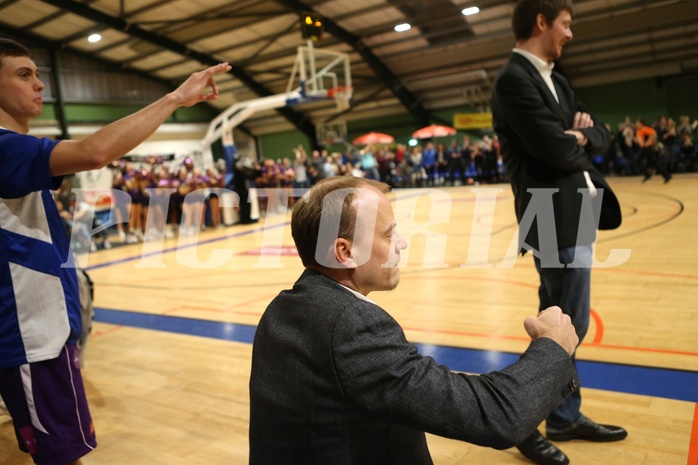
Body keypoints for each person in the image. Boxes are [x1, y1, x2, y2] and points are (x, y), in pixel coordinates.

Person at [0, 37, 230, 465]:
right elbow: (95, 152)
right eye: (23, 74)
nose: (39, 85)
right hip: (33, 335)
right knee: (62, 456)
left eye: (37, 74)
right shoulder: (3, 146)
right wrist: (176, 98)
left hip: (37, 329)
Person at [248, 175, 582, 465]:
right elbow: (497, 417)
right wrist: (553, 347)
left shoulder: (280, 309)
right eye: (388, 234)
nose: (402, 243)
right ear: (345, 252)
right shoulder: (352, 327)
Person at [491, 1, 627, 464]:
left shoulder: (559, 81)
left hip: (578, 209)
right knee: (564, 322)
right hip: (548, 212)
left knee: (568, 319)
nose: (571, 33)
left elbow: (602, 134)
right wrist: (573, 138)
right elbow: (553, 150)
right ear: (542, 22)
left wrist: (582, 136)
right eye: (566, 24)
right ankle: (527, 423)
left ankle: (565, 417)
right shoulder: (513, 79)